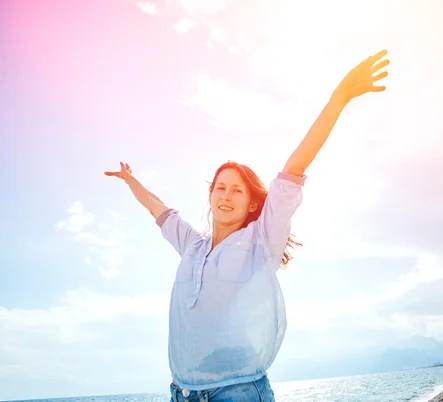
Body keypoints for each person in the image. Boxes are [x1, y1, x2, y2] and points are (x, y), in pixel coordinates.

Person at [105, 50, 390, 402]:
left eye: (236, 189)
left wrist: (341, 96)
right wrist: (131, 181)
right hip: (181, 393)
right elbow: (159, 209)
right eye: (219, 187)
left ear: (252, 201)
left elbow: (294, 167)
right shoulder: (192, 246)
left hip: (237, 392)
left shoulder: (262, 240)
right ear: (210, 196)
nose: (226, 195)